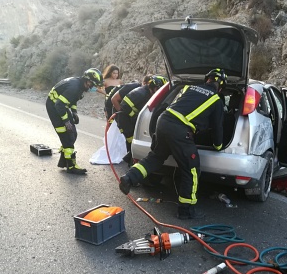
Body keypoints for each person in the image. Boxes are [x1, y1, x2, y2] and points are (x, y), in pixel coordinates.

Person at [118, 68, 227, 219]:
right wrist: (218, 145)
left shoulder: (188, 87)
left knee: (155, 157)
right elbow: (217, 127)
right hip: (180, 129)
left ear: (207, 79)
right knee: (191, 169)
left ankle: (129, 178)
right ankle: (186, 211)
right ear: (220, 87)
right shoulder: (216, 100)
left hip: (163, 121)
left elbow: (174, 104)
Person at [46, 68, 103, 175]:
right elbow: (59, 104)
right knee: (67, 135)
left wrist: (74, 112)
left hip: (61, 106)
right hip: (54, 108)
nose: (92, 88)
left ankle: (64, 160)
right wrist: (66, 121)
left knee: (73, 134)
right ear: (87, 80)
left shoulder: (80, 86)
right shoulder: (74, 87)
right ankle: (71, 166)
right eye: (92, 85)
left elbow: (72, 100)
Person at [116, 75, 168, 166]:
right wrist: (135, 117)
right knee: (131, 140)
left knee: (134, 139)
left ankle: (129, 159)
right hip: (124, 118)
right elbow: (124, 105)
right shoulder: (140, 93)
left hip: (130, 117)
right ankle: (131, 163)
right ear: (154, 87)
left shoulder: (148, 93)